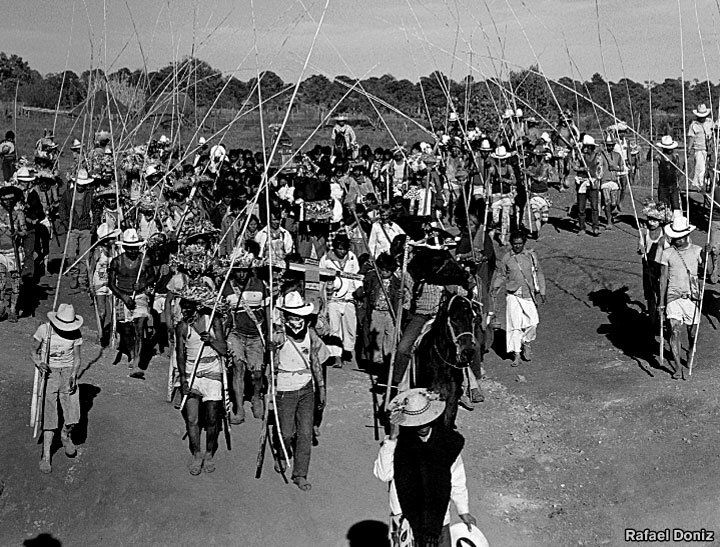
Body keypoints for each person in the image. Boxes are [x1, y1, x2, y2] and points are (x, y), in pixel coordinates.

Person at [374, 388, 476, 546]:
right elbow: (383, 474)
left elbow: (457, 478)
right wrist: (392, 439)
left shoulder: (448, 442)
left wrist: (463, 510)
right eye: (418, 422)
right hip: (404, 518)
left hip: (438, 517)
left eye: (425, 421)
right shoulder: (397, 444)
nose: (422, 426)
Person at [273, 291, 329, 491]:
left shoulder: (311, 334)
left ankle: (300, 474)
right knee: (287, 433)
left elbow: (315, 362)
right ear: (285, 317)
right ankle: (282, 452)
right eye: (292, 317)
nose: (296, 322)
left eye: (299, 317)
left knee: (305, 433)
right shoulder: (279, 336)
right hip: (285, 389)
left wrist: (321, 387)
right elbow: (271, 364)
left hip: (306, 388)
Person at [175, 285, 228, 475]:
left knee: (213, 418)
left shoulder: (213, 321)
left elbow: (224, 350)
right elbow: (180, 354)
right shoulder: (182, 326)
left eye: (187, 306)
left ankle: (209, 453)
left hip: (212, 372)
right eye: (182, 306)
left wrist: (211, 340)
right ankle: (197, 454)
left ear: (198, 306)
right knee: (192, 419)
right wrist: (183, 379)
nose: (184, 310)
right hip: (192, 373)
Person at [31, 303, 87, 474]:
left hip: (68, 371)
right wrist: (39, 363)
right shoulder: (44, 330)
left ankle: (65, 435)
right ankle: (46, 455)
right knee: (49, 412)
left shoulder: (75, 333)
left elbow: (77, 358)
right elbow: (33, 351)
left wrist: (74, 375)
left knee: (73, 413)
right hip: (50, 372)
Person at [659, 214, 705, 380]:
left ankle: (691, 351)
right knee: (675, 331)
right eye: (674, 237)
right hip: (673, 298)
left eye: (679, 237)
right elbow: (663, 278)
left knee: (693, 333)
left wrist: (709, 255)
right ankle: (678, 367)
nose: (675, 240)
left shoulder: (697, 250)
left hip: (692, 297)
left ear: (686, 235)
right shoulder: (667, 253)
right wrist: (661, 303)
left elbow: (707, 271)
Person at [492, 230, 546, 367]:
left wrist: (542, 291)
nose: (517, 246)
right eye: (515, 244)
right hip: (513, 294)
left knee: (533, 322)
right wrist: (495, 288)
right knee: (514, 325)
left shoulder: (531, 256)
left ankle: (526, 341)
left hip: (528, 294)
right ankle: (516, 354)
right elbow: (501, 275)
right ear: (511, 243)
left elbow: (538, 273)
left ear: (524, 243)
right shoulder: (507, 258)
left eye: (520, 243)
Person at [107, 228, 156, 373]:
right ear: (124, 247)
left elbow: (153, 276)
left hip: (140, 296)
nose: (133, 251)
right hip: (122, 297)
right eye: (130, 248)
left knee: (139, 326)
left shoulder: (145, 259)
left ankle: (137, 363)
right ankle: (132, 354)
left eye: (135, 248)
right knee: (126, 330)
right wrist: (124, 297)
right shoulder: (116, 262)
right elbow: (111, 284)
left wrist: (143, 284)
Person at [225, 263, 268, 423]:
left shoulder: (260, 285)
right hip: (236, 333)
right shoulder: (227, 287)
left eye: (244, 271)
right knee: (238, 367)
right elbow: (223, 313)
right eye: (238, 271)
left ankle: (256, 397)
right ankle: (239, 408)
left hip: (256, 335)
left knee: (257, 373)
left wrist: (268, 334)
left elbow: (267, 310)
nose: (241, 274)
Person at [319, 234, 360, 368]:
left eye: (344, 249)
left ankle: (347, 350)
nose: (342, 252)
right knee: (334, 328)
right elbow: (321, 279)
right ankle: (336, 356)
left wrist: (357, 292)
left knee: (350, 328)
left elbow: (357, 277)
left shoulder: (352, 257)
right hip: (333, 298)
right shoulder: (326, 259)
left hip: (349, 298)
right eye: (339, 249)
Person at [59, 169, 95, 289]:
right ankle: (74, 274)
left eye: (82, 185)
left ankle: (82, 278)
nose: (80, 187)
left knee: (84, 256)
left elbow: (96, 210)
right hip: (72, 227)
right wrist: (65, 223)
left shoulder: (90, 195)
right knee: (70, 255)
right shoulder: (68, 194)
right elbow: (62, 209)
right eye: (78, 184)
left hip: (86, 227)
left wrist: (94, 224)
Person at [639, 203, 671, 322]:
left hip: (661, 266)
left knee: (661, 290)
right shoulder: (644, 232)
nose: (652, 223)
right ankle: (652, 317)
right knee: (649, 291)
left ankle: (662, 314)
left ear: (660, 221)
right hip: (648, 266)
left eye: (655, 220)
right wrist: (641, 248)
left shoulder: (665, 233)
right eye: (650, 219)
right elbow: (640, 246)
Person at [88, 223, 119, 347]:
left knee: (114, 312)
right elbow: (91, 269)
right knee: (102, 312)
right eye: (111, 239)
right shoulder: (98, 251)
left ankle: (112, 336)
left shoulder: (115, 251)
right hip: (99, 284)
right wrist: (90, 285)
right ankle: (100, 334)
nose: (113, 240)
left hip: (112, 284)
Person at [0, 185, 25, 321]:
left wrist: (18, 233)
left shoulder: (19, 214)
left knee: (15, 282)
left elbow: (24, 231)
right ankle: (1, 307)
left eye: (11, 200)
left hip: (14, 252)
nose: (8, 203)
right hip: (0, 253)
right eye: (5, 200)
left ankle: (13, 310)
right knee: (1, 283)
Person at [572, 135, 602, 236]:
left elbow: (600, 170)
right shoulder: (580, 156)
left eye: (586, 146)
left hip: (593, 183)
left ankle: (595, 227)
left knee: (594, 207)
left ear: (590, 147)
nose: (584, 148)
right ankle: (582, 228)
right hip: (582, 183)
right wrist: (582, 169)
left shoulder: (598, 157)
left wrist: (597, 178)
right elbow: (574, 167)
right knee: (581, 207)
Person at [687, 103, 713, 191]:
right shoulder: (694, 125)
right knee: (700, 168)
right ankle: (700, 186)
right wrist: (689, 148)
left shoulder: (710, 122)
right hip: (699, 149)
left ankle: (709, 185)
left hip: (710, 149)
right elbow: (691, 137)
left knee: (710, 168)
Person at [653, 136, 682, 211]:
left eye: (671, 148)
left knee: (676, 207)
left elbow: (678, 170)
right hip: (663, 185)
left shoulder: (675, 157)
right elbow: (650, 158)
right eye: (667, 149)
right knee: (664, 208)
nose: (670, 150)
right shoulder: (659, 157)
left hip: (674, 185)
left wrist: (678, 181)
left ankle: (675, 218)